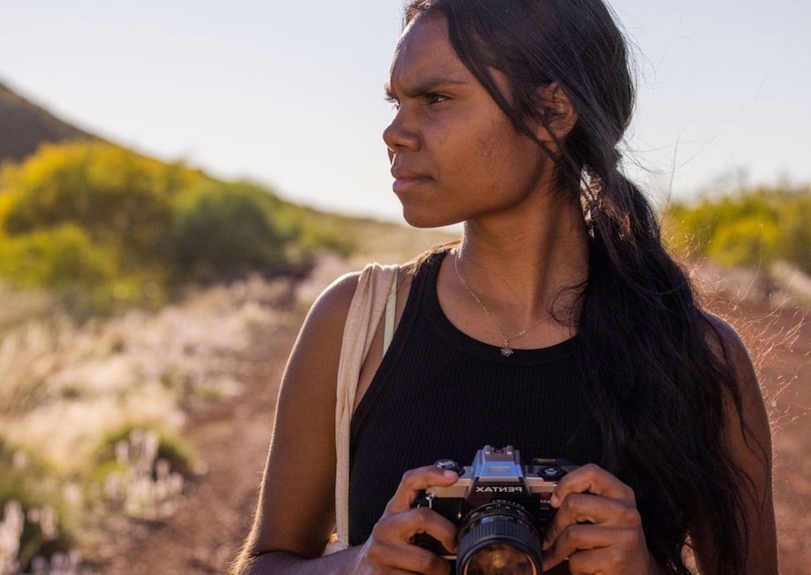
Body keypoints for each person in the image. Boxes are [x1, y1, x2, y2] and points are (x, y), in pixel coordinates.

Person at [230, 0, 778, 573]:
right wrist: (358, 564)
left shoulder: (700, 359)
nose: (393, 133)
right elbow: (264, 562)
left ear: (552, 109)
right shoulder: (358, 325)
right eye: (396, 102)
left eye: (435, 99)